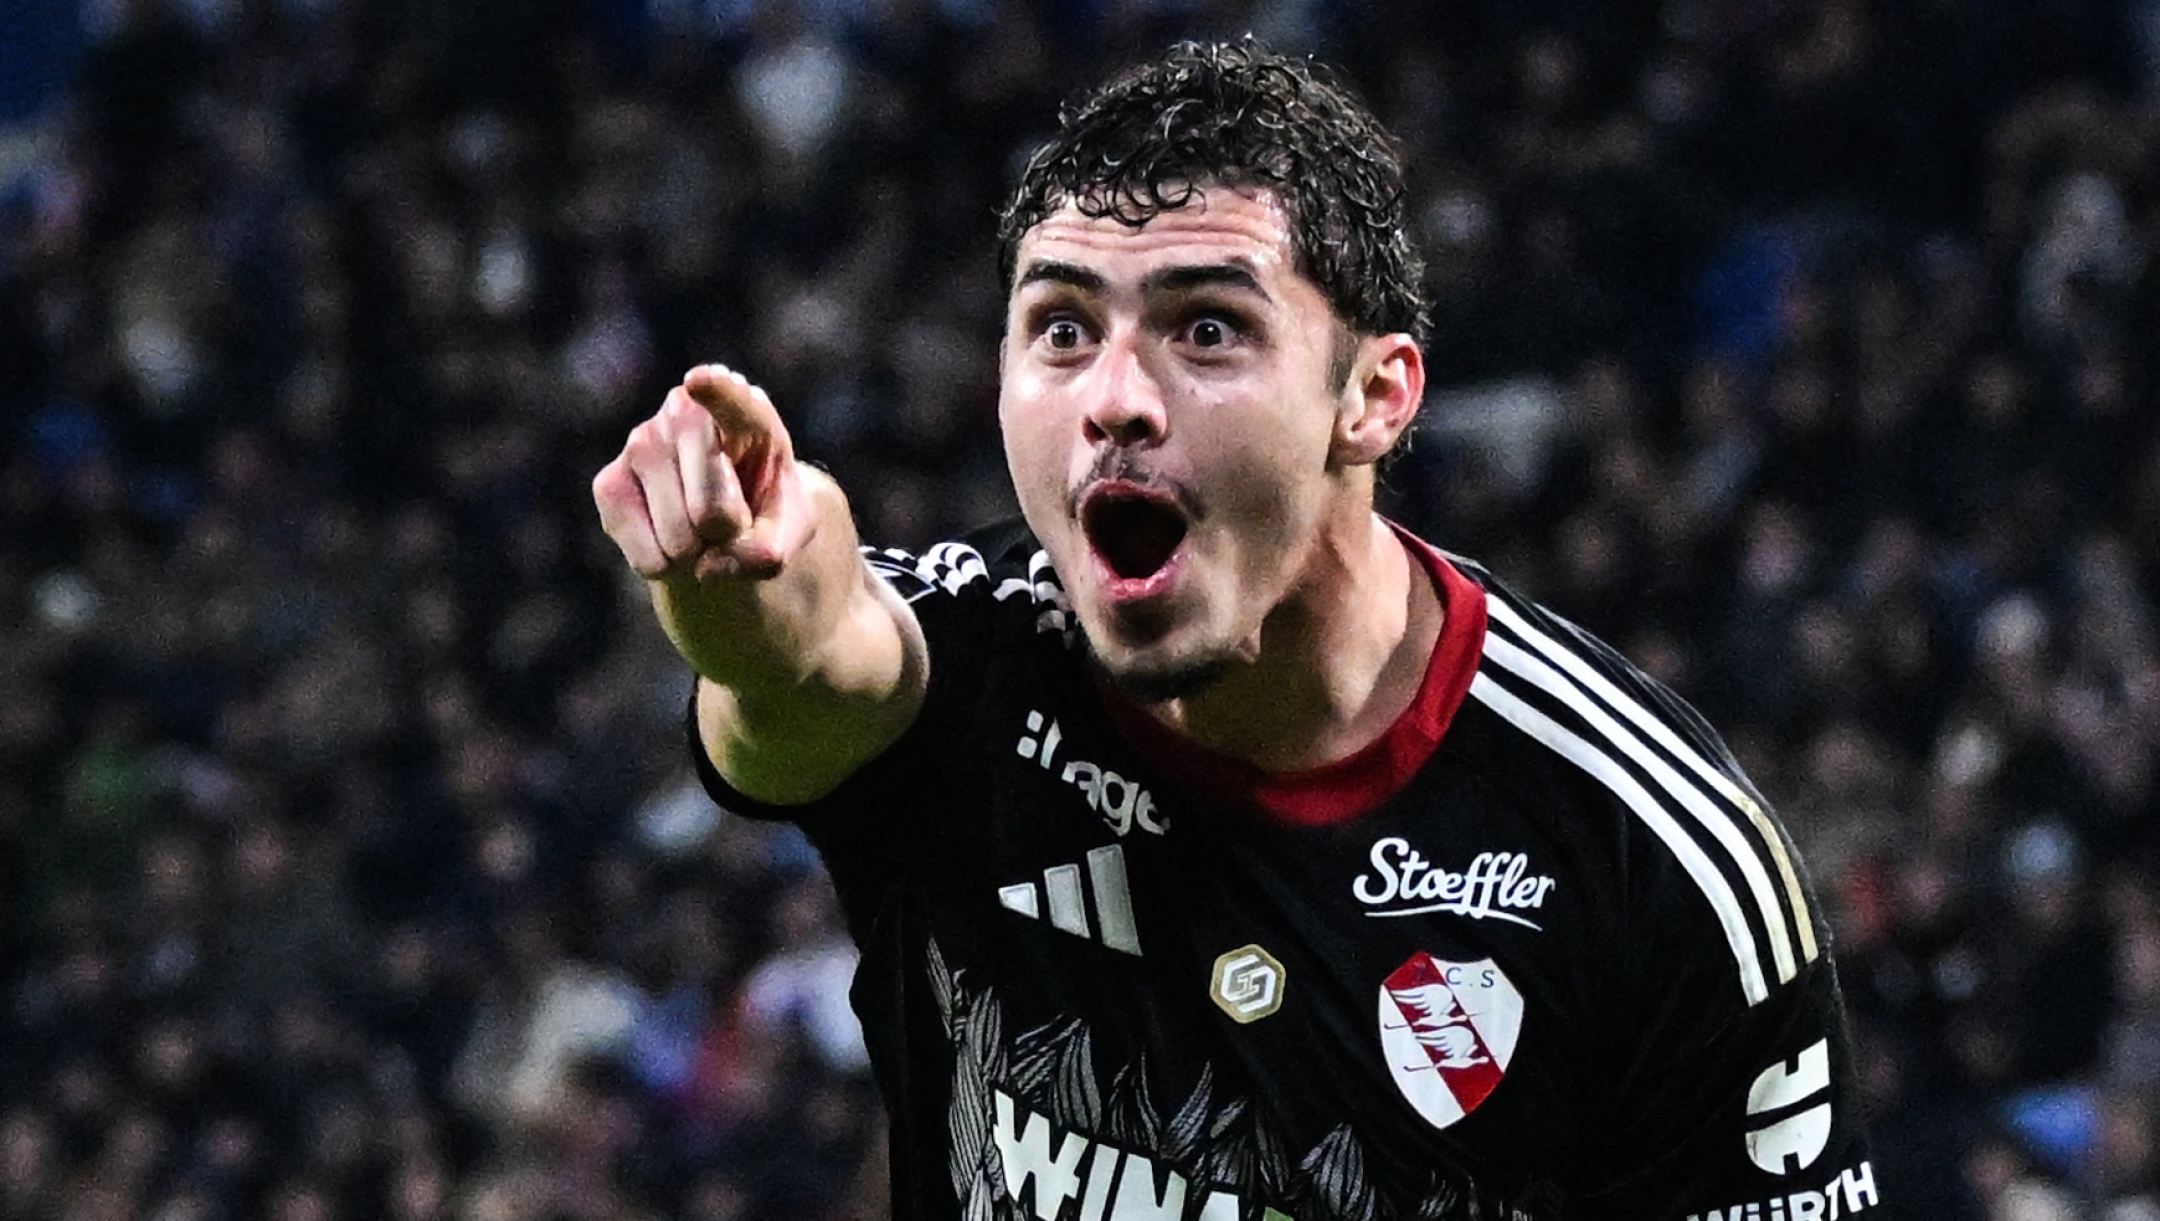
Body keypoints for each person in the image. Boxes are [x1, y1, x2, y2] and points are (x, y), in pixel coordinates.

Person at [592, 38, 1877, 1221]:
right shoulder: (978, 675)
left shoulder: (1647, 860)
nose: (1117, 401)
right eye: (1062, 330)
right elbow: (816, 667)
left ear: (1374, 398)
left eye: (1207, 328)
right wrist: (746, 593)